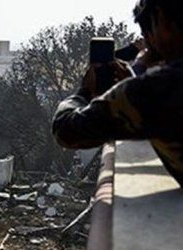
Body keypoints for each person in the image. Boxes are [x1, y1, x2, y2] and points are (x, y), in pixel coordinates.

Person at [52, 0, 183, 186]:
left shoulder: (157, 89)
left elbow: (66, 129)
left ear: (162, 20)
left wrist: (83, 93)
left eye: (148, 31)